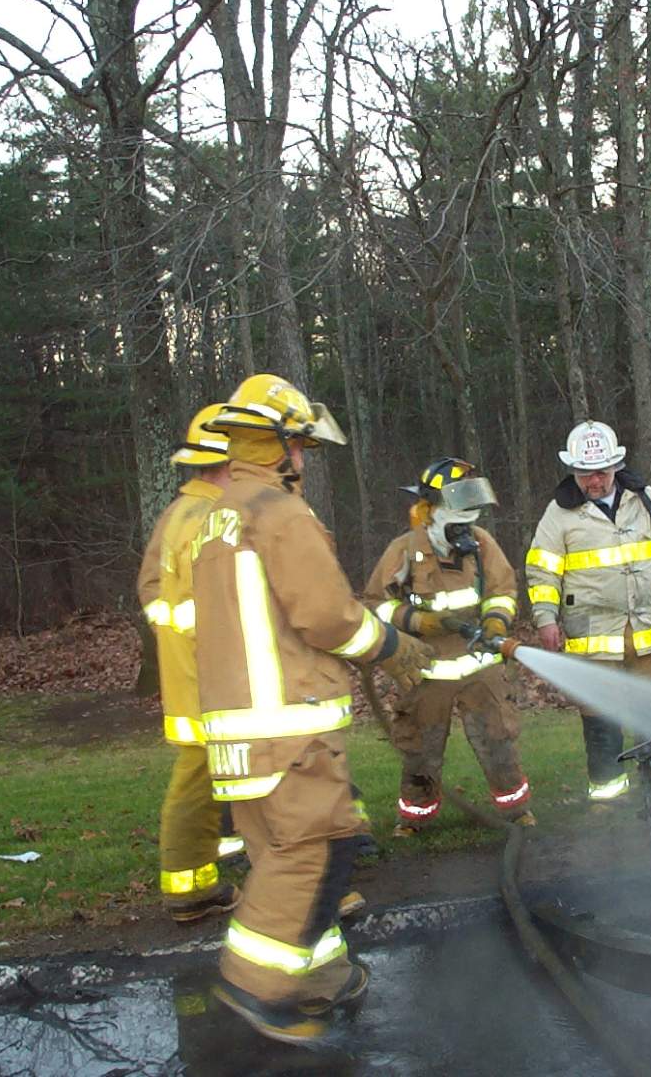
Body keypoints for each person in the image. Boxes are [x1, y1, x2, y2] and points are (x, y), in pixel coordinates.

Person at [189, 373, 435, 1044]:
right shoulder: (280, 513)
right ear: (274, 445)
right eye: (298, 445)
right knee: (316, 850)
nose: (302, 458)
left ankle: (320, 978)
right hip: (287, 726)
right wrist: (390, 645)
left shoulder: (215, 517)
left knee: (281, 857)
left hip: (238, 734)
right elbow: (326, 615)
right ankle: (254, 986)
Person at [525, 420, 651, 802]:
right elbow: (543, 570)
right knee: (601, 719)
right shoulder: (559, 513)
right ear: (573, 472)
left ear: (615, 467)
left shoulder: (644, 499)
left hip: (650, 630)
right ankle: (609, 802)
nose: (594, 481)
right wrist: (545, 617)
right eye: (586, 474)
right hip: (594, 638)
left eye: (601, 472)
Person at [363, 457, 533, 836]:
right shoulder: (404, 550)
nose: (466, 525)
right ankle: (415, 818)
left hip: (479, 662)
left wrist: (495, 621)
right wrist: (417, 621)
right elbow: (376, 604)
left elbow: (503, 590)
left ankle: (516, 810)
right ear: (432, 508)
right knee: (420, 746)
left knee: (498, 736)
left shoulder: (481, 544)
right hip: (426, 668)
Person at [138, 404, 243, 924]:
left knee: (202, 778)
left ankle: (195, 885)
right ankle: (306, 888)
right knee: (212, 778)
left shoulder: (177, 513)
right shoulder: (218, 518)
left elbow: (151, 590)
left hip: (189, 676)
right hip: (219, 677)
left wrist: (176, 640)